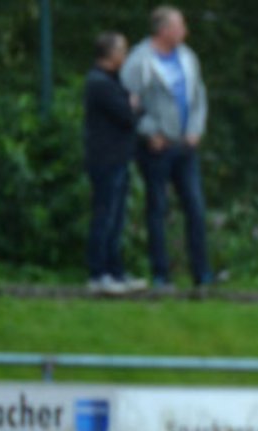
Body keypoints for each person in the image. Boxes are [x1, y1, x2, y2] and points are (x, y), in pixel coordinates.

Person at [122, 6, 213, 289]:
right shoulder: (140, 61)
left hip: (186, 146)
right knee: (157, 209)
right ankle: (161, 273)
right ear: (164, 30)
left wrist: (196, 129)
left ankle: (202, 273)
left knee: (195, 208)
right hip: (157, 147)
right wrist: (149, 132)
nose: (184, 31)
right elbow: (127, 104)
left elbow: (199, 96)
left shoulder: (187, 56)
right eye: (180, 25)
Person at [82, 32, 143, 295]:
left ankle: (115, 271)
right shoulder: (99, 83)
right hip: (105, 159)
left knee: (117, 219)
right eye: (123, 51)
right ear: (112, 54)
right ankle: (98, 274)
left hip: (119, 158)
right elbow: (128, 115)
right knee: (105, 216)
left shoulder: (112, 81)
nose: (126, 56)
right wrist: (134, 105)